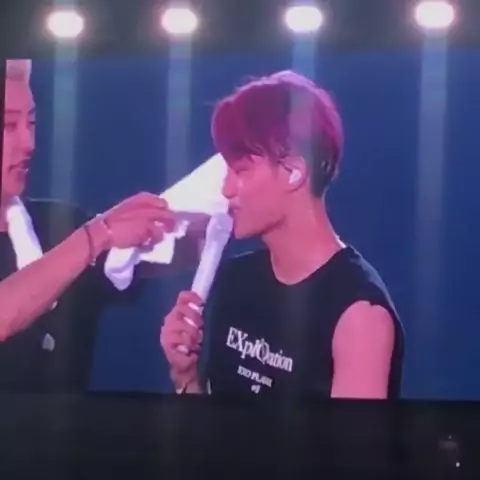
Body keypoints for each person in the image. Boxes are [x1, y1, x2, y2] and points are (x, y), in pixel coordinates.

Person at [160, 70, 405, 399]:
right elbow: (209, 427)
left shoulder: (359, 315)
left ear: (293, 172)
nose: (226, 189)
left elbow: (353, 436)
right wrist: (185, 377)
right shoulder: (234, 281)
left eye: (240, 170)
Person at [0, 59, 203, 392]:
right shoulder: (85, 236)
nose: (28, 143)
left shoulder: (61, 226)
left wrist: (236, 190)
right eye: (9, 126)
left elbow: (180, 245)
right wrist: (100, 233)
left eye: (31, 123)